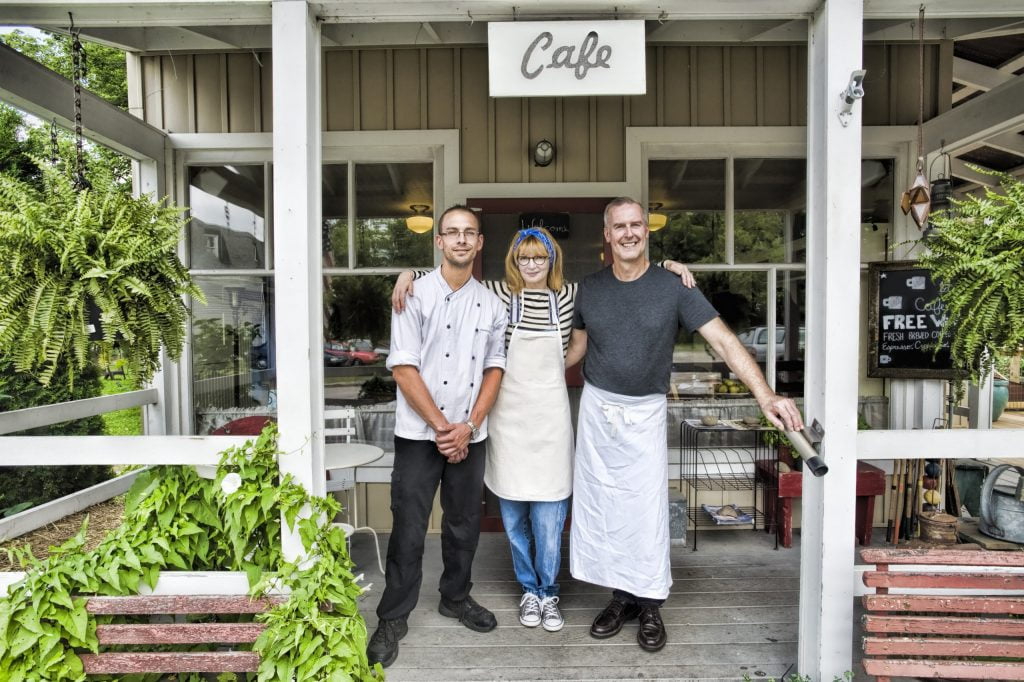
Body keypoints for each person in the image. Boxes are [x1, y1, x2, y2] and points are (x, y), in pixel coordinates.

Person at [392, 226, 695, 635]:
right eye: (524, 258)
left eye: (539, 257)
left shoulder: (571, 296)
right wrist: (408, 273)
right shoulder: (497, 294)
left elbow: (627, 271)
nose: (531, 264)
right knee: (514, 516)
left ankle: (549, 591)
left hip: (550, 420)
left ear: (552, 261)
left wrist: (669, 266)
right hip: (508, 421)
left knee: (550, 516)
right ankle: (529, 590)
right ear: (513, 262)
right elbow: (454, 272)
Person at [569, 197, 804, 653]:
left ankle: (651, 601)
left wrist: (766, 394)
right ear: (607, 234)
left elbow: (724, 342)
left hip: (645, 413)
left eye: (636, 224)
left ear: (647, 231)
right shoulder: (589, 289)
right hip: (598, 412)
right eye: (620, 226)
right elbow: (574, 351)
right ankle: (621, 597)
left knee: (646, 510)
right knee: (605, 508)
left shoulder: (674, 286)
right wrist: (525, 377)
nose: (629, 233)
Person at [367, 205, 507, 669]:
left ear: (480, 243)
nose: (462, 240)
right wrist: (444, 427)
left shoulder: (494, 304)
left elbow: (494, 369)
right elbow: (403, 368)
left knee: (464, 524)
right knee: (408, 527)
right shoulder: (413, 295)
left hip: (471, 433)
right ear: (439, 242)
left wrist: (468, 425)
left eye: (470, 233)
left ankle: (455, 597)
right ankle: (393, 616)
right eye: (453, 233)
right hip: (418, 435)